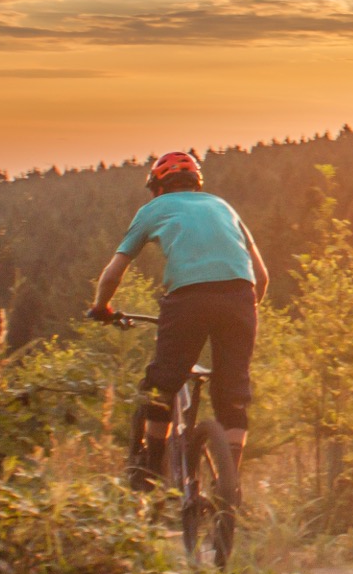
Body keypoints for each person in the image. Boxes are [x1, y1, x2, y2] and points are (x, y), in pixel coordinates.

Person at [89, 150, 269, 495]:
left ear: (157, 187)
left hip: (188, 300)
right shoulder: (223, 206)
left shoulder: (152, 210)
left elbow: (114, 272)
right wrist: (243, 310)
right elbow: (261, 276)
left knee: (163, 383)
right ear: (196, 184)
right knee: (233, 392)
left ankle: (152, 468)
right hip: (240, 298)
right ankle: (229, 485)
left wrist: (101, 307)